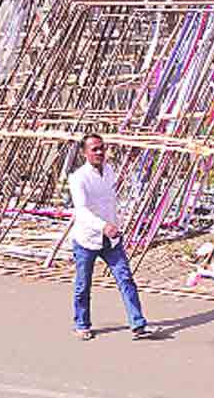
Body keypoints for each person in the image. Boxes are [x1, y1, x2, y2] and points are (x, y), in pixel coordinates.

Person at [69, 133, 153, 341]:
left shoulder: (109, 171)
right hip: (87, 239)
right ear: (84, 153)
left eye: (101, 148)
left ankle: (138, 323)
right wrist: (102, 226)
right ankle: (82, 324)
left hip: (111, 239)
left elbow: (113, 199)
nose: (99, 152)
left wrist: (114, 224)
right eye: (94, 149)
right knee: (83, 285)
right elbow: (81, 210)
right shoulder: (78, 178)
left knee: (126, 279)